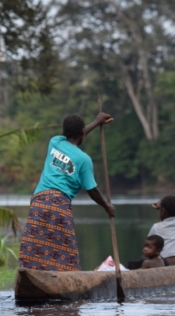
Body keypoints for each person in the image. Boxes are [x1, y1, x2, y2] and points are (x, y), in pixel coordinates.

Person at [19, 113, 115, 271]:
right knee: (64, 249)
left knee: (34, 246)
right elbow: (92, 190)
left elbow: (78, 134)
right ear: (81, 132)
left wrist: (97, 122)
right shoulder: (84, 160)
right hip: (59, 205)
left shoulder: (54, 142)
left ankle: (29, 271)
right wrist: (106, 206)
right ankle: (65, 276)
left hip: (39, 201)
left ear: (64, 131)